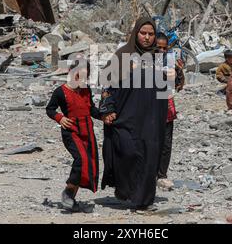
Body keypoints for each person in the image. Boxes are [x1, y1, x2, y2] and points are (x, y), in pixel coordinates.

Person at [99, 17, 168, 211]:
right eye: (143, 33)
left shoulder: (160, 56)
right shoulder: (123, 55)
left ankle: (143, 200)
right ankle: (125, 189)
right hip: (127, 114)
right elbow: (107, 84)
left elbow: (172, 84)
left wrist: (176, 74)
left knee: (150, 155)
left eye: (151, 34)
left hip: (153, 115)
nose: (146, 37)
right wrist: (107, 109)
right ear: (135, 33)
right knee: (127, 151)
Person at [46, 57, 101, 211]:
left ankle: (71, 200)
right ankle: (68, 193)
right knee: (80, 159)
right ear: (71, 72)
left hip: (88, 132)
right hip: (72, 132)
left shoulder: (86, 90)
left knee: (88, 163)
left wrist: (105, 116)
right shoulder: (60, 92)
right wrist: (60, 118)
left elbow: (92, 110)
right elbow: (50, 109)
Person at [155, 32, 184, 190]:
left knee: (166, 142)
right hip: (151, 107)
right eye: (157, 47)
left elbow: (178, 84)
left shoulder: (171, 64)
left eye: (164, 48)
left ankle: (162, 174)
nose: (161, 51)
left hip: (166, 104)